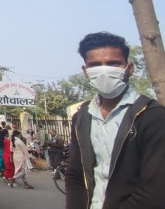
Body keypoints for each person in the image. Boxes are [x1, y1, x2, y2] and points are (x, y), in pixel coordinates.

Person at [65, 32, 165, 208]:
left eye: (113, 63)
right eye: (95, 65)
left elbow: (155, 188)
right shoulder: (82, 117)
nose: (105, 71)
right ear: (86, 71)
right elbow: (76, 174)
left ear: (130, 68)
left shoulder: (152, 116)